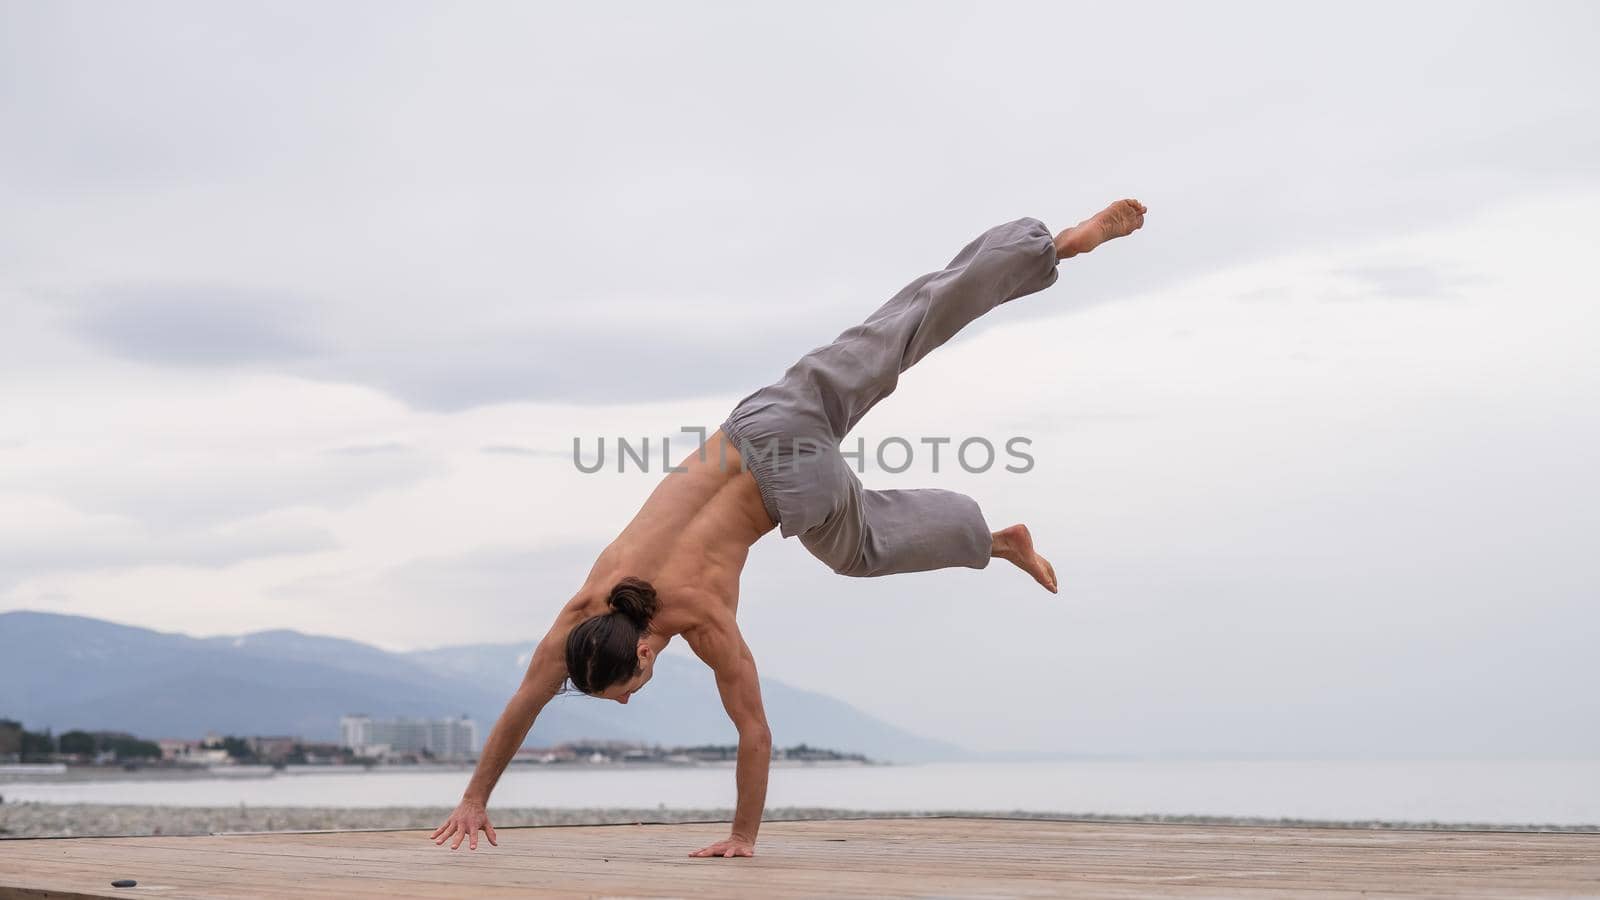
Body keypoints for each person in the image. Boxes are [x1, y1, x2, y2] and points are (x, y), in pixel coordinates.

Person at [430, 199, 1148, 858]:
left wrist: (742, 837)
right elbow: (531, 697)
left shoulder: (699, 617)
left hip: (797, 488)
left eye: (627, 687)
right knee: (901, 326)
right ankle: (1052, 247)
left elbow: (754, 732)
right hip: (765, 421)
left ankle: (990, 540)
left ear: (644, 649)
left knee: (862, 546)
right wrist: (470, 796)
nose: (624, 697)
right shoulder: (586, 605)